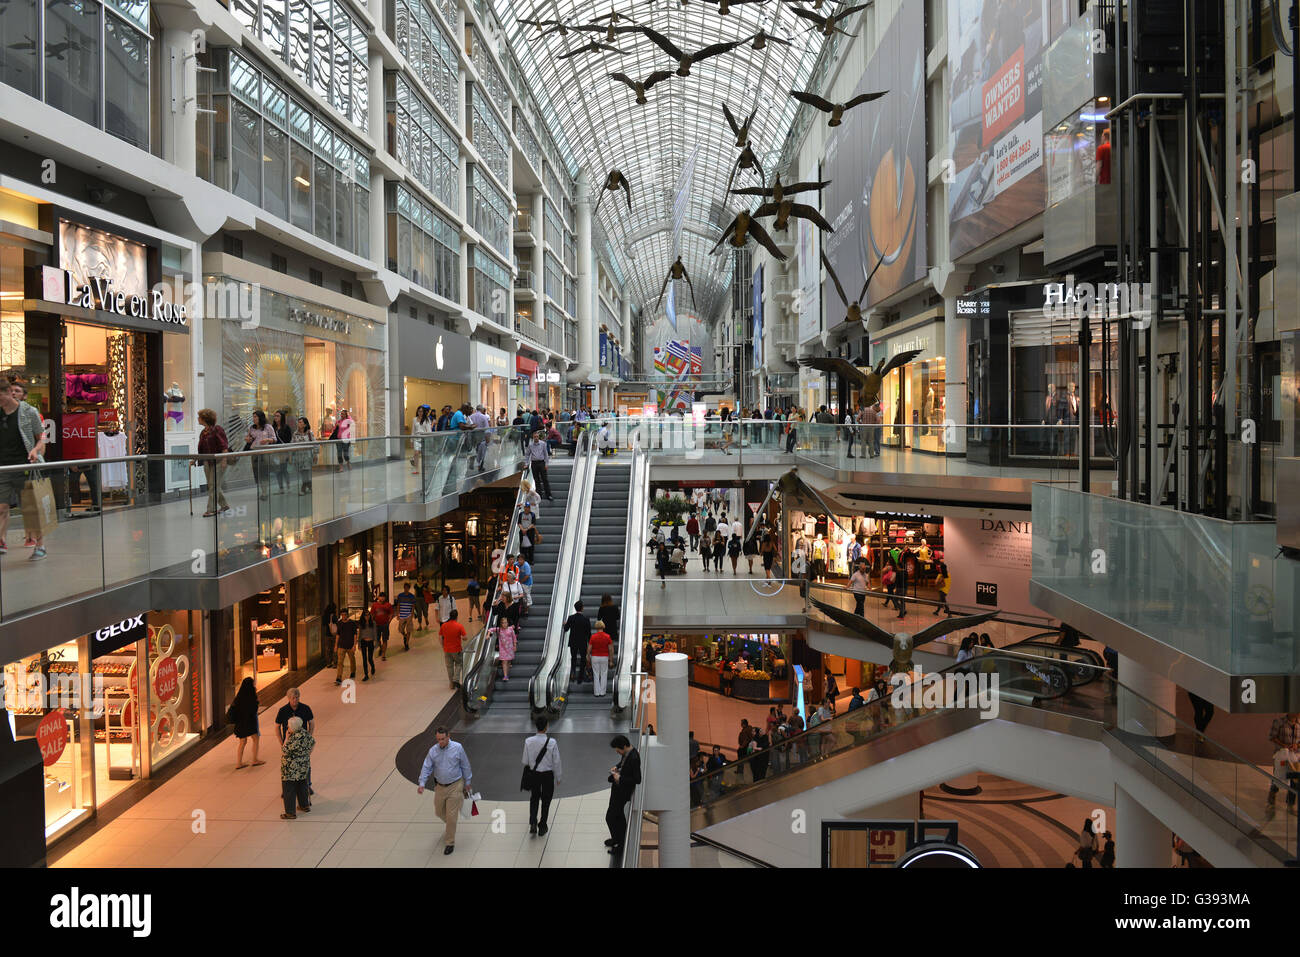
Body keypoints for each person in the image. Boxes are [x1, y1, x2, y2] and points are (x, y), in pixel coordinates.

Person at [416, 727, 473, 855]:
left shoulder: (457, 748)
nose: (440, 742)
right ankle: (450, 826)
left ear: (448, 736)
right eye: (438, 739)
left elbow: (465, 765)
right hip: (440, 787)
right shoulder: (433, 751)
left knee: (451, 816)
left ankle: (450, 842)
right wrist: (422, 783)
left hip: (455, 785)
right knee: (439, 812)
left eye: (442, 739)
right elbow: (426, 767)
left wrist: (468, 782)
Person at [522, 717, 562, 835]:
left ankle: (533, 822)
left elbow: (525, 760)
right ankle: (543, 825)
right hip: (547, 775)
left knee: (534, 798)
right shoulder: (552, 742)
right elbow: (557, 761)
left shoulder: (528, 741)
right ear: (546, 727)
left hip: (534, 774)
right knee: (546, 800)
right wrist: (558, 777)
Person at [605, 734, 641, 855]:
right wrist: (617, 767)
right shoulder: (628, 753)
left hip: (622, 792)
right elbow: (623, 763)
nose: (617, 752)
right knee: (618, 816)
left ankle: (620, 844)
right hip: (617, 790)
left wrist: (619, 777)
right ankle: (618, 839)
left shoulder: (634, 757)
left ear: (624, 746)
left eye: (618, 750)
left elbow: (637, 779)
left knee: (611, 817)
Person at [195, 408, 231, 517]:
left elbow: (224, 446)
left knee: (213, 485)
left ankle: (211, 509)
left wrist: (224, 460)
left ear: (205, 419)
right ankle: (224, 505)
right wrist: (195, 459)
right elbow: (202, 450)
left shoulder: (217, 430)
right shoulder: (203, 433)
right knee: (213, 485)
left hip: (219, 461)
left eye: (199, 417)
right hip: (208, 462)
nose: (198, 419)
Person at [279, 716, 315, 819]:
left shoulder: (293, 739)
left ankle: (290, 812)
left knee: (289, 789)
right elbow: (313, 743)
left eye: (288, 726)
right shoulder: (304, 733)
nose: (287, 727)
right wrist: (306, 755)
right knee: (302, 785)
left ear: (293, 728)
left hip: (291, 770)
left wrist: (286, 737)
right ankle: (304, 805)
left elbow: (284, 751)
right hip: (303, 766)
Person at [228, 676, 264, 769]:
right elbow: (254, 710)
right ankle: (255, 759)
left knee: (242, 742)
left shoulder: (239, 697)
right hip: (250, 723)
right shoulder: (252, 696)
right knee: (256, 739)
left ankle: (239, 763)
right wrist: (257, 701)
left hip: (240, 724)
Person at [1266, 712, 1300, 809]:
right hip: (1282, 754)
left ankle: (1290, 804)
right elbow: (1272, 737)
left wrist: (1296, 745)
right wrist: (1284, 745)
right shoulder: (1279, 722)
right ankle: (1272, 793)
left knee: (1294, 778)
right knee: (1279, 775)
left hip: (1295, 756)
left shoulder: (1299, 724)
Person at [245, 409, 278, 500]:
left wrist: (267, 440)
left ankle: (264, 492)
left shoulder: (268, 427)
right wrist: (248, 439)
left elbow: (274, 439)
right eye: (253, 417)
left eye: (255, 416)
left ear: (260, 417)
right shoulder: (252, 428)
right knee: (257, 473)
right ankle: (262, 491)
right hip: (254, 453)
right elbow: (250, 439)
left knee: (264, 473)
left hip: (265, 453)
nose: (254, 418)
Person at [564, 601, 591, 682]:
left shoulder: (571, 618)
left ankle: (573, 673)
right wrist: (590, 643)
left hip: (573, 642)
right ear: (582, 608)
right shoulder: (586, 619)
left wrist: (565, 624)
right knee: (583, 658)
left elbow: (566, 629)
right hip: (583, 642)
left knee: (574, 658)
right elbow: (588, 632)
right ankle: (580, 677)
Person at [439, 608, 467, 688]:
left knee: (449, 666)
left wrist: (443, 646)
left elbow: (440, 637)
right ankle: (456, 679)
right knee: (459, 663)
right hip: (456, 649)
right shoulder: (459, 626)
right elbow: (465, 637)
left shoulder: (444, 625)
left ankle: (451, 684)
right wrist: (462, 638)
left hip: (446, 650)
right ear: (456, 617)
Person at [290, 416, 316, 494]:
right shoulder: (295, 433)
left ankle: (303, 488)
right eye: (298, 422)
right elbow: (292, 444)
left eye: (300, 422)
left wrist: (315, 454)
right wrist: (291, 455)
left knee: (306, 472)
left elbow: (315, 443)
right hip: (299, 456)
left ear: (305, 424)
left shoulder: (309, 433)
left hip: (307, 456)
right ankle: (310, 485)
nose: (299, 423)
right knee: (302, 472)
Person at [332, 607, 357, 685]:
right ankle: (339, 677)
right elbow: (338, 635)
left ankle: (353, 671)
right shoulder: (339, 623)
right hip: (341, 645)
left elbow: (355, 634)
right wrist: (336, 645)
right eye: (342, 615)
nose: (343, 616)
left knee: (352, 659)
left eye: (345, 615)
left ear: (347, 615)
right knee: (340, 662)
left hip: (350, 645)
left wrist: (354, 645)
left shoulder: (352, 623)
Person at [589, 619, 613, 696]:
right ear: (603, 626)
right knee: (604, 674)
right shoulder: (607, 636)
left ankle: (596, 692)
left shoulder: (593, 637)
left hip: (595, 657)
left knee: (596, 674)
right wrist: (611, 660)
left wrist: (588, 655)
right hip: (604, 657)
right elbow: (611, 649)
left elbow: (589, 648)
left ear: (596, 627)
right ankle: (602, 692)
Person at [527, 431, 554, 500]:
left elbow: (546, 454)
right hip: (534, 463)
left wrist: (546, 464)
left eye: (537, 437)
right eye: (535, 437)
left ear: (538, 437)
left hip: (541, 463)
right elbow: (527, 455)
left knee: (545, 479)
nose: (536, 438)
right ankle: (539, 496)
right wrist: (526, 464)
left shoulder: (543, 444)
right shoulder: (530, 445)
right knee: (536, 480)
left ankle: (549, 495)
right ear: (533, 437)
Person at [271, 410, 293, 491]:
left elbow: (289, 440)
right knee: (278, 470)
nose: (275, 417)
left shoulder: (286, 428)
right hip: (275, 452)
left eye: (278, 416)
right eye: (275, 416)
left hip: (284, 452)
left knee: (284, 469)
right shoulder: (272, 428)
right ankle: (281, 488)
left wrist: (289, 453)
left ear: (282, 417)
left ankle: (288, 486)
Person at [394, 582, 418, 650]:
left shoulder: (412, 596)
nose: (406, 589)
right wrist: (398, 614)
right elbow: (398, 605)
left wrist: (412, 614)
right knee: (401, 629)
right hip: (402, 615)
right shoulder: (400, 596)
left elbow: (413, 606)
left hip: (408, 615)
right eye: (405, 587)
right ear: (404, 588)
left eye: (407, 588)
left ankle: (406, 644)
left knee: (409, 630)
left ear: (409, 588)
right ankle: (405, 636)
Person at [371, 592, 394, 660]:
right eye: (381, 597)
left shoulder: (388, 605)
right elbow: (372, 614)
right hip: (377, 625)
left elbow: (391, 613)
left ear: (385, 598)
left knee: (385, 639)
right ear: (378, 597)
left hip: (385, 625)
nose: (382, 598)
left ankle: (383, 655)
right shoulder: (374, 605)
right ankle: (381, 648)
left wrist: (389, 621)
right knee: (377, 640)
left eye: (383, 597)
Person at [410, 404, 433, 474]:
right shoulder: (414, 419)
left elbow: (429, 431)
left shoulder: (427, 419)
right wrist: (411, 440)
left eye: (422, 411)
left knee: (425, 455)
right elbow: (413, 430)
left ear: (424, 412)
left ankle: (427, 469)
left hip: (424, 438)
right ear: (417, 412)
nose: (420, 413)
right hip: (416, 438)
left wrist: (430, 440)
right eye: (419, 411)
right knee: (416, 453)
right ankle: (416, 470)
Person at [357, 607, 378, 681]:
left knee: (369, 658)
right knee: (364, 659)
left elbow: (375, 633)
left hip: (370, 642)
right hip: (363, 641)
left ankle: (372, 666)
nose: (367, 617)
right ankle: (366, 674)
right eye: (365, 615)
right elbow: (359, 634)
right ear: (363, 616)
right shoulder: (361, 624)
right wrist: (359, 644)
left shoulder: (373, 623)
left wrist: (376, 643)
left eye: (368, 615)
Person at [495, 615, 517, 682]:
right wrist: (488, 634)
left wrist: (515, 646)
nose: (504, 624)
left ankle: (506, 674)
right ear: (501, 624)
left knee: (507, 662)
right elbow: (490, 629)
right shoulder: (499, 630)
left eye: (506, 622)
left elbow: (514, 638)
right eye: (503, 623)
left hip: (510, 649)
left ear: (508, 623)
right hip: (503, 649)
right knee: (504, 662)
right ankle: (505, 676)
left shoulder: (510, 630)